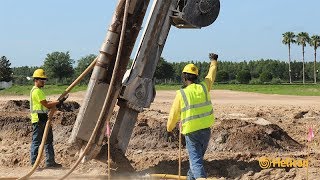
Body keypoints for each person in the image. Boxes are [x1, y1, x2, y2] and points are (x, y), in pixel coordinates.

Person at [166, 53, 218, 180]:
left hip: (191, 132)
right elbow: (211, 76)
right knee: (197, 160)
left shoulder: (181, 94)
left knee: (195, 161)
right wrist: (213, 62)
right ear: (196, 76)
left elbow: (174, 114)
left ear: (184, 77)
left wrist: (169, 128)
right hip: (206, 130)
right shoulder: (204, 86)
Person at [30, 69, 67, 168]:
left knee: (48, 140)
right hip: (38, 119)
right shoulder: (37, 91)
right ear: (36, 80)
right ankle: (34, 164)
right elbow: (46, 105)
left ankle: (50, 162)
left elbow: (46, 104)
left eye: (44, 80)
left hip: (44, 118)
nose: (43, 82)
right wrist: (58, 102)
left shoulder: (39, 91)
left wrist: (56, 103)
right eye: (42, 80)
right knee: (36, 142)